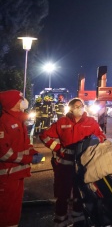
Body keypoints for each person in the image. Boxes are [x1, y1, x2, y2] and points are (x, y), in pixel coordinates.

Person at [40, 97, 106, 227]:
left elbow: (102, 137)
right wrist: (58, 149)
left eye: (81, 105)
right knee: (62, 194)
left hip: (83, 165)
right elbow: (44, 136)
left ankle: (79, 219)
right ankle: (60, 220)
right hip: (64, 165)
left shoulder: (91, 122)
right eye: (76, 106)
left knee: (80, 193)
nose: (79, 108)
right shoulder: (62, 122)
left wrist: (94, 142)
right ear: (70, 108)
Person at [0, 90, 43, 227]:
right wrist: (28, 159)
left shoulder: (18, 121)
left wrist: (33, 152)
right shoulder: (4, 122)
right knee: (6, 211)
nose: (23, 101)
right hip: (7, 176)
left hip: (17, 174)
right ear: (12, 103)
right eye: (20, 99)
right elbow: (3, 153)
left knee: (14, 211)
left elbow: (25, 144)